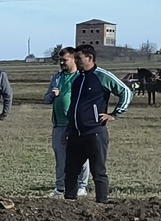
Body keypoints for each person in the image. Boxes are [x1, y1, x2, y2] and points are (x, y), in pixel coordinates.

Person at [60, 44, 130, 203]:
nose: (76, 62)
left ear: (89, 58)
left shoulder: (102, 76)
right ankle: (69, 202)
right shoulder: (77, 79)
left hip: (95, 133)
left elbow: (125, 91)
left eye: (79, 58)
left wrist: (114, 114)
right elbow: (74, 106)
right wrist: (68, 129)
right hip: (75, 134)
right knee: (70, 171)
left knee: (98, 171)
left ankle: (102, 203)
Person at [47, 45, 104, 198]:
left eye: (64, 60)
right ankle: (60, 187)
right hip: (58, 124)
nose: (61, 63)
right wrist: (53, 95)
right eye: (60, 60)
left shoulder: (81, 78)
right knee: (61, 158)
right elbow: (46, 99)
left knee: (81, 158)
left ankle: (82, 187)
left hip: (75, 124)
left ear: (73, 59)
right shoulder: (57, 77)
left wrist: (114, 114)